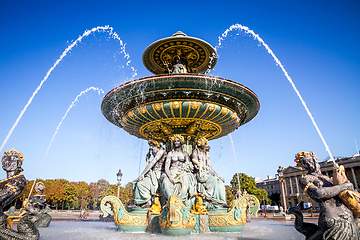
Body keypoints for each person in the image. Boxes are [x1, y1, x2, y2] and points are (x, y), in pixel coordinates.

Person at [294, 151, 360, 240]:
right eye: (305, 164)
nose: (309, 165)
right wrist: (344, 186)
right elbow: (319, 193)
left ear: (316, 160)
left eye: (310, 161)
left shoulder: (330, 178)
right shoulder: (305, 179)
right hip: (333, 222)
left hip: (350, 221)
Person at [160, 134, 196, 207]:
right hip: (172, 172)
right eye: (175, 141)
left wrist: (184, 171)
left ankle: (181, 200)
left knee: (186, 178)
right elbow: (167, 167)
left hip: (182, 172)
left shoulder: (185, 154)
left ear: (181, 142)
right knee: (165, 181)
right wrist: (169, 176)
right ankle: (171, 200)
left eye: (178, 141)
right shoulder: (170, 154)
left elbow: (189, 166)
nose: (176, 142)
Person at [191, 137, 227, 207]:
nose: (205, 145)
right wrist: (199, 165)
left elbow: (210, 168)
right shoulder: (196, 152)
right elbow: (193, 159)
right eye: (204, 144)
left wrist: (218, 176)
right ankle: (213, 199)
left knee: (220, 182)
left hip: (207, 172)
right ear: (200, 144)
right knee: (213, 180)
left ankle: (221, 202)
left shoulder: (205, 154)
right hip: (200, 172)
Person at [132, 140, 166, 208]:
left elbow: (153, 162)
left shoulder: (161, 152)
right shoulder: (157, 153)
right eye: (150, 146)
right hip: (153, 173)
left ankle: (147, 201)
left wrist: (142, 174)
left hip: (158, 174)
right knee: (135, 182)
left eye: (152, 146)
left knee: (140, 184)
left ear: (157, 145)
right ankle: (138, 202)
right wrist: (147, 159)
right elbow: (152, 165)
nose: (151, 148)